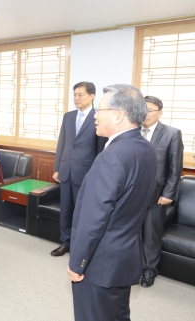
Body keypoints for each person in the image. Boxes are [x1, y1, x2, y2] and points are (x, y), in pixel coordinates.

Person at [67, 84, 157, 321]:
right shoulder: (146, 149)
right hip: (124, 257)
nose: (95, 115)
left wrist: (78, 263)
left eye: (100, 110)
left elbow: (94, 218)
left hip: (99, 263)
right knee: (117, 315)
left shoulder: (111, 157)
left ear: (119, 115)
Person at [51, 81, 106, 257]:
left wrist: (96, 174)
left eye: (80, 94)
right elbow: (62, 143)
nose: (76, 98)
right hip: (66, 170)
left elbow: (101, 150)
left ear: (92, 96)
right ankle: (65, 242)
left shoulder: (98, 117)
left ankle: (79, 246)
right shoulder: (68, 116)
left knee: (82, 211)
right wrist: (57, 168)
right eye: (74, 94)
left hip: (86, 172)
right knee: (65, 209)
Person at [140, 95, 183, 288]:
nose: (146, 113)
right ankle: (132, 266)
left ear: (160, 112)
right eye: (143, 109)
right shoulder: (132, 130)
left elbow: (176, 167)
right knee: (130, 232)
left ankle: (149, 270)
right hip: (131, 193)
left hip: (156, 194)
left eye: (150, 110)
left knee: (151, 235)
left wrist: (168, 193)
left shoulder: (172, 133)